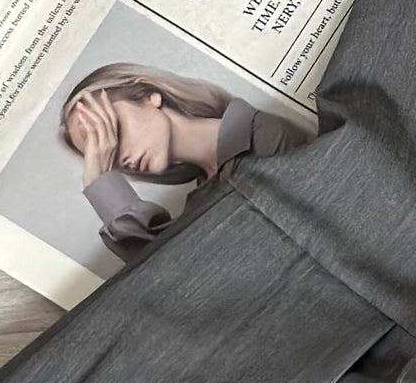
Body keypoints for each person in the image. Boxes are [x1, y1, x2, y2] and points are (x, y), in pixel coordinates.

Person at [58, 63, 309, 263]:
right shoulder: (199, 200)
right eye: (105, 153)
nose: (120, 157)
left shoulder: (264, 138)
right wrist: (97, 181)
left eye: (114, 131)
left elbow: (192, 270)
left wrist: (102, 187)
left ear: (149, 95)